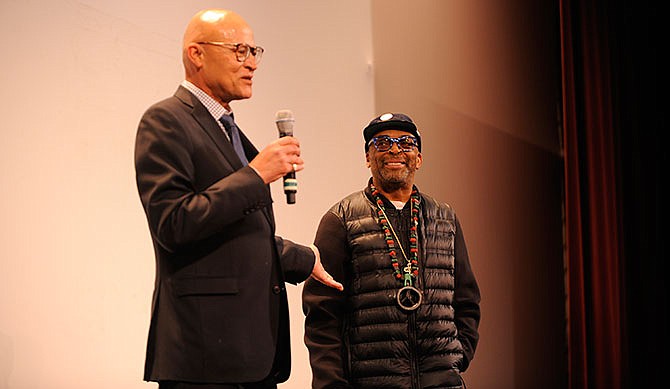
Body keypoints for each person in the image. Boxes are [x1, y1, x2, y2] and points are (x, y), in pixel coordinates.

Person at [134, 9, 343, 389]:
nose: (252, 64)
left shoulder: (226, 129)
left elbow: (235, 236)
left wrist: (304, 257)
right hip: (204, 358)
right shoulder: (166, 120)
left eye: (254, 52)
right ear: (197, 54)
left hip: (249, 357)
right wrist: (256, 174)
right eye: (239, 50)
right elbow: (173, 224)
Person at [302, 113, 481, 389]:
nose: (395, 150)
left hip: (442, 382)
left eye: (406, 143)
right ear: (367, 158)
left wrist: (457, 357)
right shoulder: (340, 220)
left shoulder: (445, 218)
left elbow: (467, 301)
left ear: (418, 158)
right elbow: (322, 313)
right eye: (382, 143)